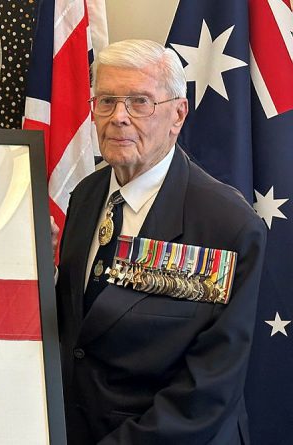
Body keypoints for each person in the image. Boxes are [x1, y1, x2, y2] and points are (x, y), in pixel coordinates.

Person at [55, 39, 266, 444]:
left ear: (177, 115)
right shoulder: (85, 195)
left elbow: (207, 390)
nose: (118, 117)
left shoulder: (226, 224)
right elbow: (78, 336)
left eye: (140, 102)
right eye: (106, 101)